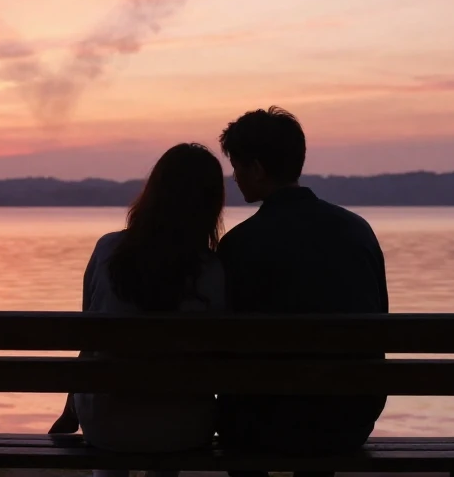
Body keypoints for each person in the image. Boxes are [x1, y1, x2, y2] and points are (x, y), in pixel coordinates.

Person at [216, 106, 389, 462]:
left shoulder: (238, 245)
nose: (234, 177)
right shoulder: (357, 231)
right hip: (349, 420)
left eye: (236, 166)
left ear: (258, 169)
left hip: (258, 424)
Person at [49, 142, 228, 477]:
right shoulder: (214, 270)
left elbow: (88, 341)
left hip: (107, 425)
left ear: (153, 192)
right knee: (171, 409)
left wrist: (71, 410)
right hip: (186, 428)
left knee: (111, 407)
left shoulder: (108, 251)